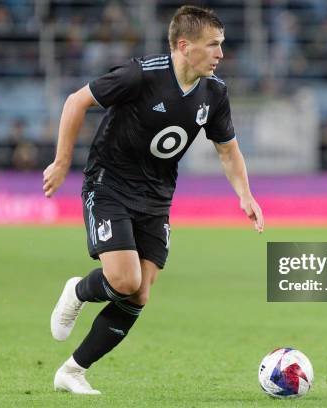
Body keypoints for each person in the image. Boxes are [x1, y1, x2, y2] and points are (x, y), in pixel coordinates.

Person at [42, 5, 264, 395]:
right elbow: (76, 101)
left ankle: (73, 370)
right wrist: (62, 162)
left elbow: (228, 150)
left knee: (141, 291)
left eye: (222, 45)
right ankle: (78, 291)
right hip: (108, 184)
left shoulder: (214, 93)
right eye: (213, 45)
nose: (220, 54)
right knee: (124, 279)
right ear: (184, 45)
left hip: (156, 197)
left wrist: (245, 194)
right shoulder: (140, 74)